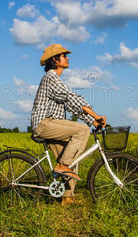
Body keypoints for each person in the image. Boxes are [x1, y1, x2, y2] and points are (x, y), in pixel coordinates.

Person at [31, 44, 106, 207]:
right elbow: (71, 97)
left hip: (53, 125)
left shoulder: (56, 79)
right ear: (55, 60)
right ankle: (61, 166)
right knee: (82, 131)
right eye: (64, 55)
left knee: (72, 158)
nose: (67, 58)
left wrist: (92, 121)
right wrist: (95, 116)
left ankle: (67, 198)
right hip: (44, 124)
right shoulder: (51, 77)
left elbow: (72, 105)